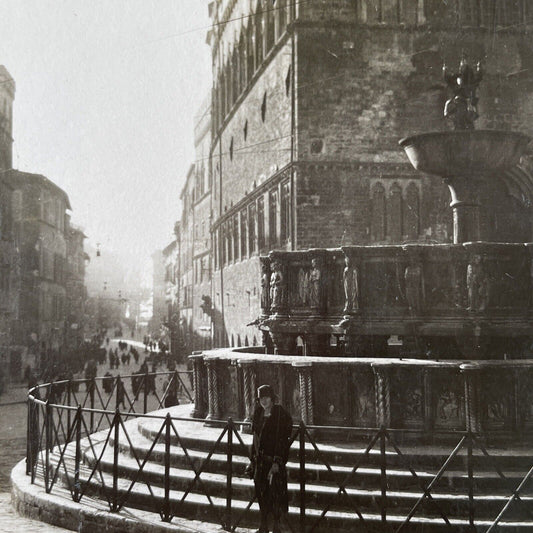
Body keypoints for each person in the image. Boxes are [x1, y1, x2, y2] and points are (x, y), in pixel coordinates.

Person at [246, 385, 292, 533]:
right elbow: (255, 438)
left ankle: (277, 528)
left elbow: (282, 440)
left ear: (272, 398)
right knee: (261, 494)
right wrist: (252, 459)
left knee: (276, 495)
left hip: (273, 461)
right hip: (260, 461)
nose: (263, 401)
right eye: (261, 399)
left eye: (266, 398)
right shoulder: (258, 413)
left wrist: (277, 461)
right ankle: (263, 526)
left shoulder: (280, 414)